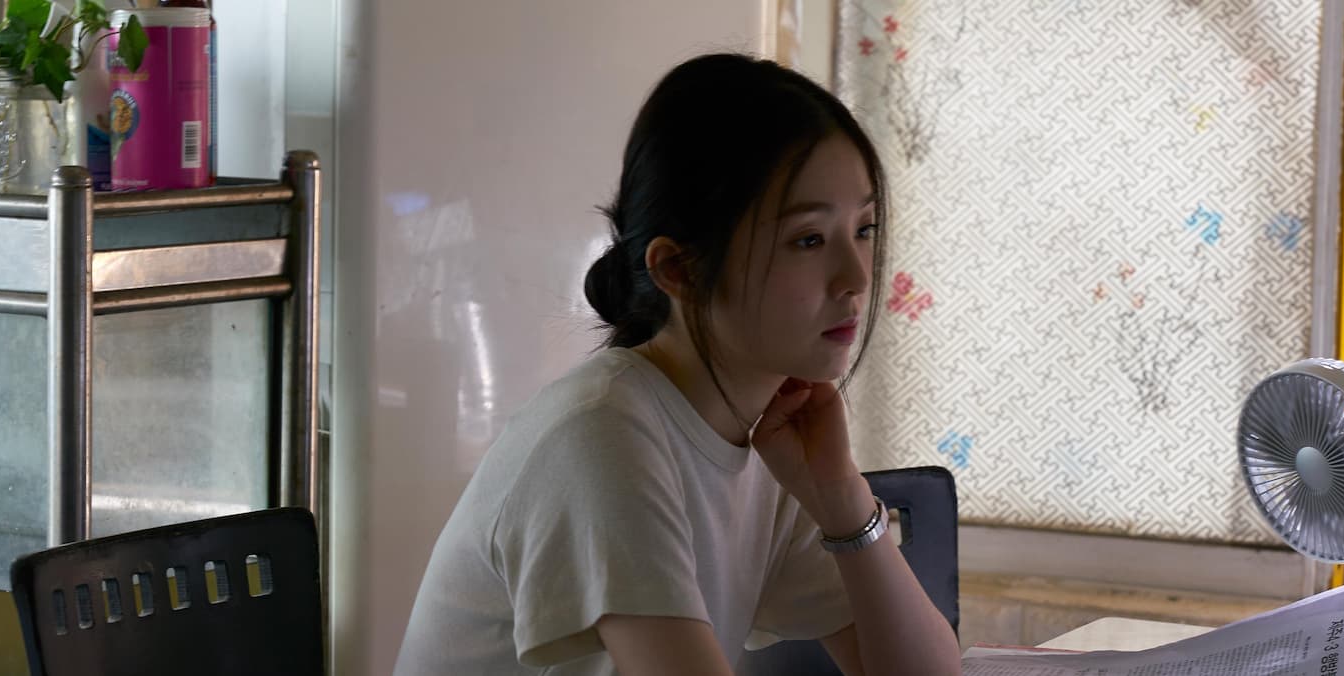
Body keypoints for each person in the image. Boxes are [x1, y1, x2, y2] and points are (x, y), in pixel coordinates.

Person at [393, 53, 961, 676]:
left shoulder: (768, 438)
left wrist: (841, 496)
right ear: (679, 270)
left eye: (864, 229)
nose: (855, 277)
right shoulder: (601, 436)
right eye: (808, 239)